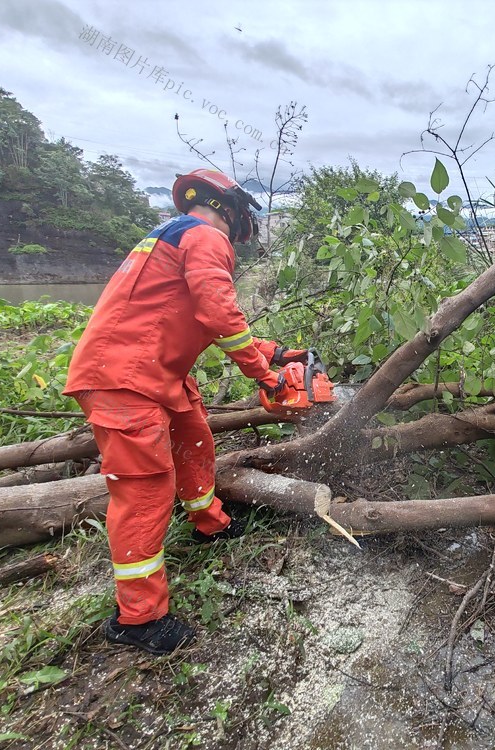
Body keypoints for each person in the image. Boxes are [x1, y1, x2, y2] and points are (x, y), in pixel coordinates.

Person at [64, 168, 307, 655]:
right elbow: (219, 314)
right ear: (231, 209)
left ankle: (209, 523)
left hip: (155, 371)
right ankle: (138, 619)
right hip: (125, 378)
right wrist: (264, 374)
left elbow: (200, 317)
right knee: (145, 490)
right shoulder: (205, 236)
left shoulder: (176, 236)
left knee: (195, 440)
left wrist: (273, 351)